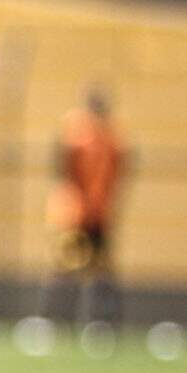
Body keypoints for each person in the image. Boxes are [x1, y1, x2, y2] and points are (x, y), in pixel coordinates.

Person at [43, 89, 128, 330]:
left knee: (99, 270)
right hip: (75, 214)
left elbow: (118, 172)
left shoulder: (110, 139)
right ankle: (56, 321)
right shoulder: (78, 135)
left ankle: (103, 322)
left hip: (96, 213)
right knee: (65, 267)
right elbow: (64, 166)